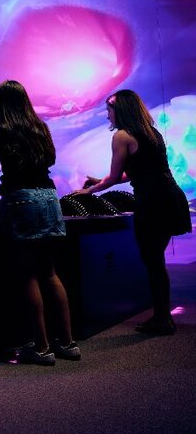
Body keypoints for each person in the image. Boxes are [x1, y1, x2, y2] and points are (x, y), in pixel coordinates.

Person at [0, 80, 79, 365]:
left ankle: (40, 348)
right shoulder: (40, 128)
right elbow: (40, 166)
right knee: (49, 273)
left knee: (27, 274)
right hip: (49, 199)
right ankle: (68, 343)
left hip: (21, 202)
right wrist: (3, 187)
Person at [75, 89, 191, 335]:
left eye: (109, 110)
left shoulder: (121, 135)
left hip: (152, 202)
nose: (108, 116)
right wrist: (101, 181)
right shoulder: (151, 133)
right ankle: (162, 316)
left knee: (153, 261)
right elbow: (137, 171)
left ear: (121, 111)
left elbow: (117, 176)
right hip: (169, 197)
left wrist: (91, 190)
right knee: (156, 261)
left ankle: (162, 319)